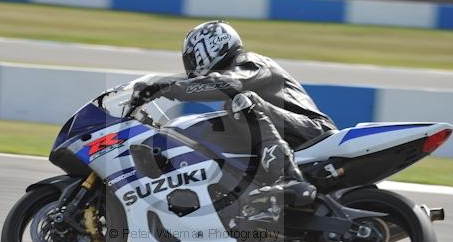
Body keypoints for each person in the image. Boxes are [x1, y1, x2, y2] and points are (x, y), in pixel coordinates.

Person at [131, 20, 336, 207]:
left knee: (241, 101)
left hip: (313, 130)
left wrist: (169, 87)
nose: (190, 68)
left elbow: (231, 83)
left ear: (209, 46)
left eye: (192, 59)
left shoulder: (251, 61)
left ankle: (288, 178)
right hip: (291, 134)